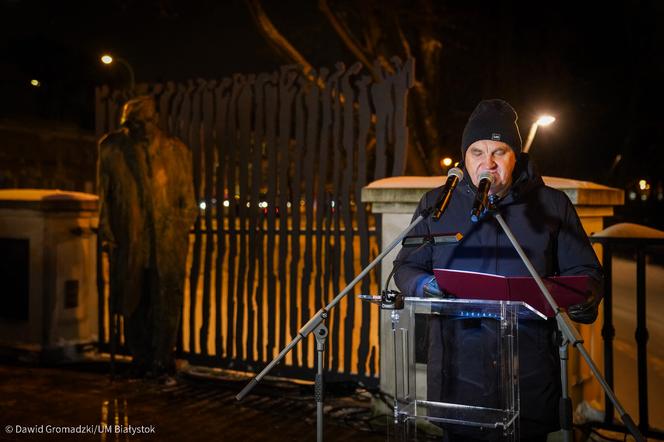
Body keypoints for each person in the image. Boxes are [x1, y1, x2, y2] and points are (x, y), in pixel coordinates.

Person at [394, 99, 603, 441]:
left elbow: (586, 271)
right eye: (476, 151)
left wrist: (584, 298)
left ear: (515, 156)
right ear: (464, 156)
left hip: (527, 371)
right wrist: (425, 285)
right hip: (457, 370)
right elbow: (406, 265)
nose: (486, 163)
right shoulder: (438, 204)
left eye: (498, 152)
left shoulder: (551, 205)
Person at [98, 96, 197, 383]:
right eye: (133, 123)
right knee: (134, 302)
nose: (141, 128)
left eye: (146, 121)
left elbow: (188, 202)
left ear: (156, 119)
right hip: (131, 241)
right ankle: (140, 358)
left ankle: (162, 358)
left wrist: (177, 229)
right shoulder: (111, 149)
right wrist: (107, 229)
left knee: (165, 302)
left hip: (167, 244)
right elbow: (105, 195)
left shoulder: (177, 151)